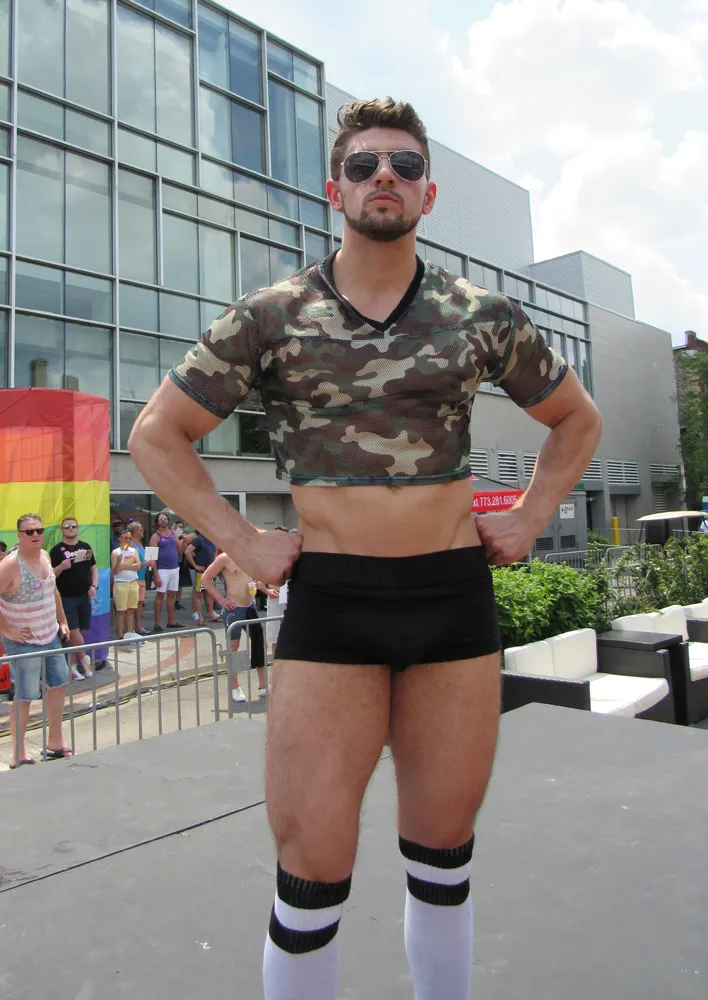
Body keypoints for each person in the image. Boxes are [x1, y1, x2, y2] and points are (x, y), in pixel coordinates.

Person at [129, 97, 602, 1000]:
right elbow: (156, 434)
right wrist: (240, 539)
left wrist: (531, 515)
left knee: (444, 857)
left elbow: (577, 418)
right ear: (334, 187)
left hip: (451, 604)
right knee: (310, 872)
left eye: (405, 165)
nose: (384, 176)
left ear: (428, 194)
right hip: (333, 609)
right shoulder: (271, 316)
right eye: (364, 164)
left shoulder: (480, 314)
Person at [0, 513, 73, 767]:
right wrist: (7, 630)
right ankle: (18, 753)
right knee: (26, 694)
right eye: (29, 531)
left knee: (59, 683)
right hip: (24, 641)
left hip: (50, 634)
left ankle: (55, 741)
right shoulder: (11, 564)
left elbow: (53, 591)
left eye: (39, 530)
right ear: (19, 536)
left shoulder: (44, 556)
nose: (35, 535)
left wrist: (63, 621)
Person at [200, 553, 275, 702]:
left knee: (259, 642)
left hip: (250, 605)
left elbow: (257, 577)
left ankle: (263, 685)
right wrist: (220, 599)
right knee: (233, 645)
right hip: (233, 607)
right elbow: (205, 579)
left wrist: (263, 588)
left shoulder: (250, 555)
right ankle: (235, 687)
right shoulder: (224, 558)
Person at [49, 516, 98, 680]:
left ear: (77, 528)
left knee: (77, 634)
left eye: (73, 526)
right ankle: (84, 660)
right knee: (74, 632)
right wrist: (61, 567)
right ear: (62, 530)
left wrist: (94, 586)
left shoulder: (85, 547)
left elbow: (94, 569)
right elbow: (50, 575)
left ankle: (72, 666)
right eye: (67, 527)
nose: (70, 529)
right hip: (66, 598)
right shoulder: (56, 550)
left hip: (84, 596)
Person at [148, 512, 183, 632]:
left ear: (168, 520)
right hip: (162, 569)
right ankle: (157, 623)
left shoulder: (173, 533)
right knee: (160, 595)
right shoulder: (155, 536)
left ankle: (171, 621)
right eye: (160, 519)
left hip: (174, 568)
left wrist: (184, 540)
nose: (163, 520)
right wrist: (156, 575)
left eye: (165, 518)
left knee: (172, 594)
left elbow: (180, 550)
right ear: (157, 522)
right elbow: (151, 557)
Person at [110, 528, 141, 640]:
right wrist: (119, 562)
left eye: (129, 538)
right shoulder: (116, 552)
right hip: (121, 584)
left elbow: (138, 566)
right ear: (120, 539)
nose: (128, 540)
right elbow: (115, 571)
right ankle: (120, 635)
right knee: (121, 611)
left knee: (131, 610)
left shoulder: (134, 551)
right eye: (125, 538)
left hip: (133, 583)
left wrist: (123, 566)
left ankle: (129, 633)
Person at [184, 531, 220, 625]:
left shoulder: (212, 539)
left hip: (209, 571)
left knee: (209, 593)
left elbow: (215, 552)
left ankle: (211, 614)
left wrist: (214, 566)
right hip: (201, 571)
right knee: (198, 594)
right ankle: (200, 617)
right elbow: (187, 551)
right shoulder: (199, 539)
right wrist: (195, 565)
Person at [127, 521, 152, 635]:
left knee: (140, 603)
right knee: (132, 605)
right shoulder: (130, 544)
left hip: (142, 578)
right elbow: (128, 563)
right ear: (135, 531)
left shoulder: (140, 543)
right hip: (134, 578)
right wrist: (144, 564)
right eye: (141, 529)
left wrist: (150, 563)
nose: (143, 531)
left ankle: (138, 627)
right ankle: (130, 628)